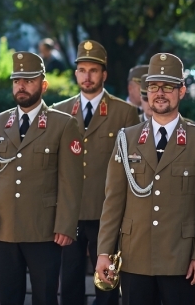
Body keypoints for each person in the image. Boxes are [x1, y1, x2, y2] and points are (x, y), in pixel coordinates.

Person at [96, 53, 195, 305]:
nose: (160, 93)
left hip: (181, 259)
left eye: (168, 87)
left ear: (181, 91)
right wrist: (104, 252)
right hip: (135, 256)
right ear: (145, 91)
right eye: (154, 87)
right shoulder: (127, 138)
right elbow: (113, 201)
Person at [0, 51, 83, 305]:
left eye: (28, 80)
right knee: (8, 297)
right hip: (3, 228)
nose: (21, 86)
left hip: (44, 230)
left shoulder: (63, 124)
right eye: (17, 81)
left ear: (43, 85)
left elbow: (71, 181)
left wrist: (65, 225)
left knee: (45, 297)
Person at [52, 41, 140, 305]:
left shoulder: (124, 112)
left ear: (104, 74)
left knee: (107, 283)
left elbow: (132, 166)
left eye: (93, 70)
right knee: (69, 281)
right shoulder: (59, 111)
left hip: (107, 214)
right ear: (76, 73)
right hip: (70, 214)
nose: (87, 76)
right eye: (82, 70)